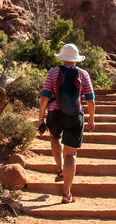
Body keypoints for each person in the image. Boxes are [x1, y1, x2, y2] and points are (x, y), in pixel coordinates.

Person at [37, 43, 95, 204]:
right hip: (75, 117)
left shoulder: (53, 72)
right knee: (71, 154)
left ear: (62, 57)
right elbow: (90, 100)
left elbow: (44, 97)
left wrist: (40, 119)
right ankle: (66, 194)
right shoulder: (83, 74)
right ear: (76, 59)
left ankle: (60, 169)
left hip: (55, 114)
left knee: (55, 138)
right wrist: (91, 119)